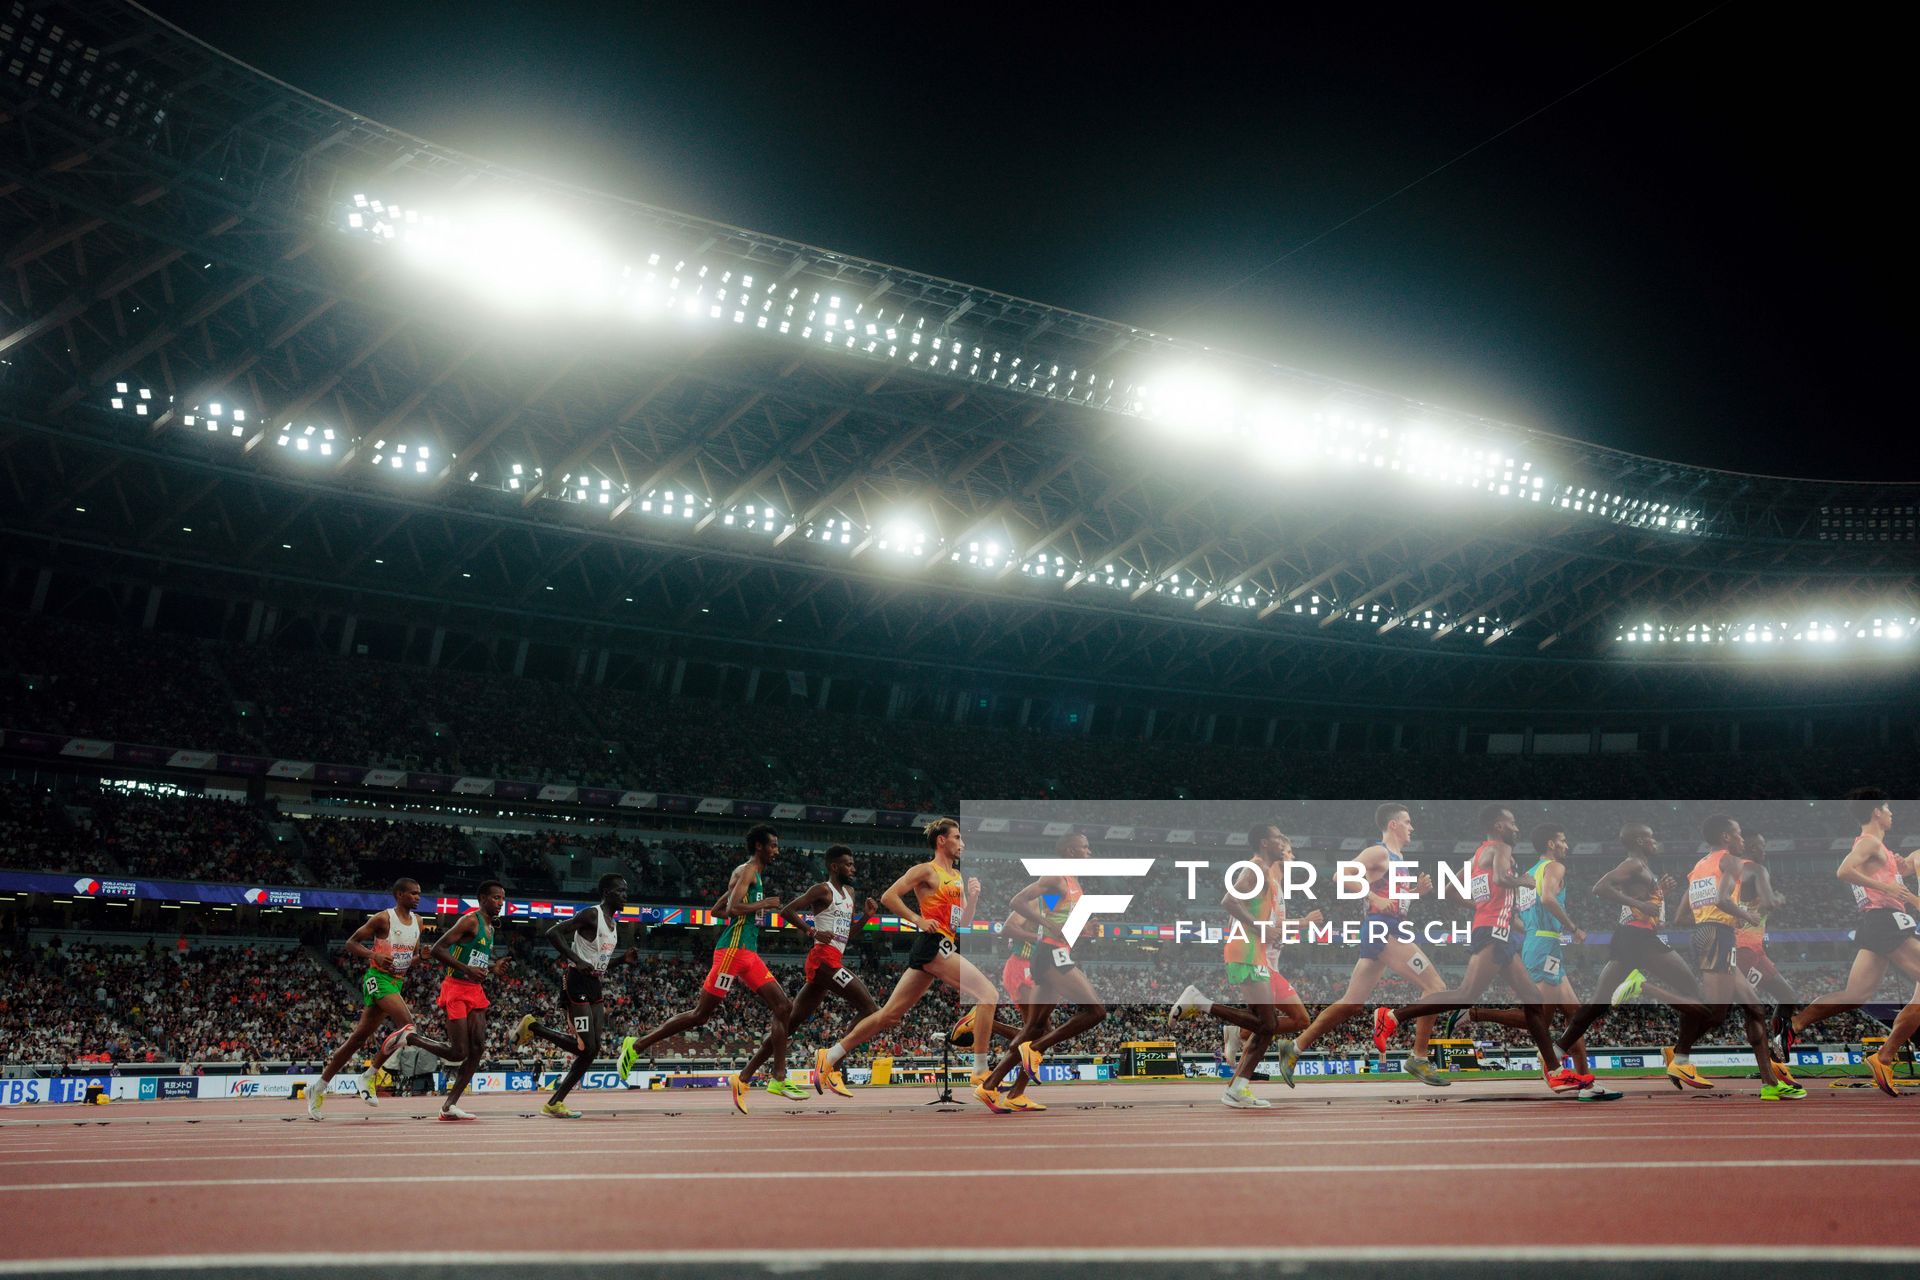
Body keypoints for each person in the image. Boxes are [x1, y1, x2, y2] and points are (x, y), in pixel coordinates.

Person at [1379, 806, 1578, 1095]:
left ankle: (1556, 1072)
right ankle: (1393, 1016)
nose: (1517, 829)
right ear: (1499, 826)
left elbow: (1450, 891)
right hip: (1494, 933)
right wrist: (1523, 881)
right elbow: (1500, 879)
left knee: (1534, 1003)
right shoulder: (1500, 847)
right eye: (1513, 823)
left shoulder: (1476, 856)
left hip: (1498, 931)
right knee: (1465, 994)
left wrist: (1483, 908)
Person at [812, 817, 1000, 1107]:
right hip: (933, 945)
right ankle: (980, 1070)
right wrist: (917, 919)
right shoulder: (927, 870)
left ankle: (831, 1055)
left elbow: (962, 921)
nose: (962, 843)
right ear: (942, 840)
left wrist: (973, 898)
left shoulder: (958, 877)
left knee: (889, 1015)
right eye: (958, 837)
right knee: (989, 994)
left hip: (941, 944)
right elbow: (889, 896)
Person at [616, 825, 799, 1113]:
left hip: (748, 953)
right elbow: (736, 907)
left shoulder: (754, 874)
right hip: (731, 953)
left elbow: (718, 910)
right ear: (760, 847)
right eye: (773, 845)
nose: (778, 850)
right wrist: (763, 904)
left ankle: (778, 1078)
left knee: (783, 1007)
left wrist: (744, 902)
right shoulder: (748, 870)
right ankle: (637, 1045)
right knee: (701, 1015)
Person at [1271, 803, 1449, 1087]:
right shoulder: (1379, 852)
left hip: (1386, 927)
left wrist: (1416, 892)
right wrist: (1373, 897)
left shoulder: (1398, 859)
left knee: (1351, 1004)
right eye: (1407, 822)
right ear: (1393, 825)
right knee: (1436, 988)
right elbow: (1340, 877)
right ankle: (1418, 1056)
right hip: (1384, 930)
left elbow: (1393, 901)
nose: (1411, 827)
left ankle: (1293, 1049)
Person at [1460, 824, 1620, 1101]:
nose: (1567, 845)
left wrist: (1536, 934)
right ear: (1551, 844)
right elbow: (1547, 898)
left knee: (1575, 1016)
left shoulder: (1529, 873)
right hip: (1545, 944)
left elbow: (1518, 916)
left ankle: (1586, 1083)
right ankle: (1476, 1013)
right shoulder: (1554, 868)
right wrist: (1573, 927)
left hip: (1539, 943)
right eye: (1563, 840)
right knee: (1538, 1018)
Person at [1551, 824, 1714, 1087]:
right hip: (1638, 939)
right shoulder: (1633, 865)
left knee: (1598, 1003)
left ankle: (1555, 1052)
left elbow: (1647, 908)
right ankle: (1680, 1059)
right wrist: (1640, 903)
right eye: (1651, 838)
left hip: (1632, 936)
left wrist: (1659, 895)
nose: (1655, 842)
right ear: (1640, 840)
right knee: (1694, 994)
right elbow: (1600, 888)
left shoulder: (1644, 869)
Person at [1169, 825, 1319, 1108]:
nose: (1283, 844)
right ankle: (1200, 1003)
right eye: (1278, 839)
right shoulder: (1254, 869)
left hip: (1256, 954)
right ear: (1265, 843)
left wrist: (1271, 929)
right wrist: (1261, 928)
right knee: (1266, 1024)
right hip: (1245, 951)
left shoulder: (1268, 873)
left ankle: (1237, 1089)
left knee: (1266, 1027)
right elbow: (1228, 900)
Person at [1790, 789, 1920, 1095]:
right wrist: (1887, 886)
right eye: (1888, 809)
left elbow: (1896, 870)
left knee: (1856, 994)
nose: (1892, 814)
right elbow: (1843, 871)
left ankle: (1794, 1025)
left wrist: (1898, 871)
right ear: (1876, 811)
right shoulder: (1870, 841)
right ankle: (1884, 1056)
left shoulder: (1878, 847)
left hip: (1879, 921)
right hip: (1886, 920)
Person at [307, 878, 465, 1120]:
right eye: (413, 893)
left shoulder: (419, 922)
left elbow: (408, 959)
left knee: (357, 1039)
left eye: (419, 893)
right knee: (407, 1025)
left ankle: (317, 1087)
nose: (417, 897)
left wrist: (421, 958)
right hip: (376, 978)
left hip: (395, 982)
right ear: (399, 894)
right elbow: (351, 943)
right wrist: (374, 955)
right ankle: (369, 1075)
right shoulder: (383, 918)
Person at [976, 831, 1109, 1113]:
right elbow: (1017, 902)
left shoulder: (1072, 881)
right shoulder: (1055, 876)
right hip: (1050, 955)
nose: (1090, 852)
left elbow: (1060, 918)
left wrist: (1080, 927)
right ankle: (1034, 1050)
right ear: (1071, 851)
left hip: (1053, 952)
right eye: (1085, 847)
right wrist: (1046, 927)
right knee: (1096, 1011)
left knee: (1033, 1028)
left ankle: (990, 1087)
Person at [1670, 815, 1798, 1100]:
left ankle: (1769, 1083)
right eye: (1742, 836)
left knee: (1754, 1009)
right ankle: (1675, 1042)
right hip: (1730, 943)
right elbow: (1727, 899)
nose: (1760, 849)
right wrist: (1745, 914)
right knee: (1719, 1013)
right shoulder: (1741, 866)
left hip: (1714, 937)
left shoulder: (1699, 867)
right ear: (1731, 839)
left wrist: (1710, 921)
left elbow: (1680, 917)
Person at [511, 873, 640, 1118]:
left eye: (626, 891)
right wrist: (577, 960)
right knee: (587, 1047)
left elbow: (597, 965)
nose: (625, 895)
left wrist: (622, 960)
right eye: (620, 891)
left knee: (593, 1049)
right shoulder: (592, 915)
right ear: (606, 893)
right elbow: (553, 932)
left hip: (595, 986)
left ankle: (554, 1102)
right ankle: (534, 1028)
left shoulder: (614, 926)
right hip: (576, 983)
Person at [421, 880, 509, 1121]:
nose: (500, 903)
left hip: (475, 990)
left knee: (478, 1048)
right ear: (482, 899)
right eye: (495, 898)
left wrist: (492, 967)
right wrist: (466, 969)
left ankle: (449, 1106)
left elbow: (475, 960)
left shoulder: (491, 927)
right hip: (456, 988)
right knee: (458, 1052)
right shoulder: (471, 920)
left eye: (502, 898)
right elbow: (439, 949)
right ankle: (411, 1038)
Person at [777, 847, 881, 1045]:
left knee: (792, 1023)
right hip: (824, 960)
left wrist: (866, 917)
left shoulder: (850, 892)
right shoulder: (822, 890)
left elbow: (846, 935)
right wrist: (813, 932)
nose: (853, 868)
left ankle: (749, 1072)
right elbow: (787, 911)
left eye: (853, 864)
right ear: (834, 867)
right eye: (848, 864)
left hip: (831, 960)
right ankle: (833, 1060)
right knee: (870, 1009)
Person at [1732, 832, 1801, 1072]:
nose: (1764, 851)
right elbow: (1769, 902)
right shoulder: (1755, 869)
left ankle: (1777, 1048)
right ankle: (1771, 1061)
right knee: (1747, 1009)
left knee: (1786, 996)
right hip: (1744, 951)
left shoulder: (1732, 872)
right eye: (1761, 846)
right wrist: (1778, 898)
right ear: (1750, 847)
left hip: (1753, 950)